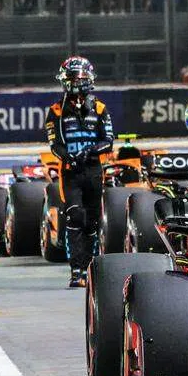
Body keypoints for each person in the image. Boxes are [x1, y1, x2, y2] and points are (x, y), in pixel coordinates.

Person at [45, 56, 114, 288]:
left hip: (93, 170)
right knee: (75, 216)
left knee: (92, 221)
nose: (75, 82)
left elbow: (109, 141)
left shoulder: (100, 108)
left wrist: (90, 152)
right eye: (72, 78)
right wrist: (69, 157)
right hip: (70, 173)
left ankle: (90, 266)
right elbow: (54, 144)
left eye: (79, 78)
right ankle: (76, 270)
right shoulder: (55, 110)